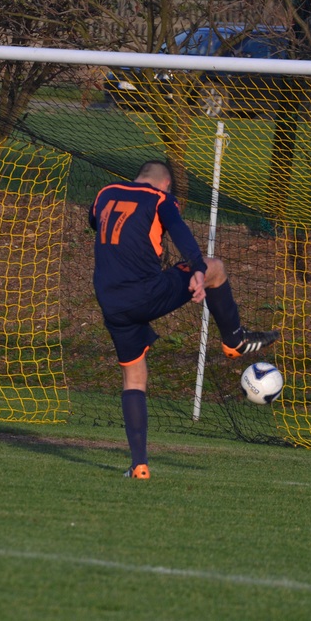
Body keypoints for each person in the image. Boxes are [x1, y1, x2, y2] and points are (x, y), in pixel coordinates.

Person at [90, 160, 278, 480]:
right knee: (215, 267)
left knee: (134, 378)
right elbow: (179, 230)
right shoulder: (160, 199)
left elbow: (100, 225)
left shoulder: (105, 193)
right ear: (164, 185)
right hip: (144, 293)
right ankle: (234, 340)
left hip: (111, 301)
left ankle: (139, 466)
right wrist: (197, 268)